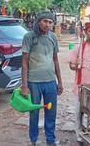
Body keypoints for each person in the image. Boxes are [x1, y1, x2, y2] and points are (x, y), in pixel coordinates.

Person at [21, 11, 63, 146]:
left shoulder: (53, 37)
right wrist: (24, 84)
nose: (47, 24)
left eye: (50, 22)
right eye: (45, 21)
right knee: (34, 112)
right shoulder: (29, 37)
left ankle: (50, 140)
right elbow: (24, 62)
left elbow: (56, 60)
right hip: (34, 82)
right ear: (38, 21)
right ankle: (33, 140)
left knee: (51, 112)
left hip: (50, 81)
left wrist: (60, 82)